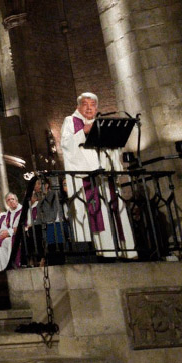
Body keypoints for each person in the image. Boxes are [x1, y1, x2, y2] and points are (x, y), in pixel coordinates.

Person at [60, 92, 135, 258]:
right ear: (78, 107)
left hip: (104, 177)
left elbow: (112, 147)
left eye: (93, 105)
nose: (89, 108)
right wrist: (83, 132)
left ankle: (124, 250)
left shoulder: (101, 123)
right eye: (85, 104)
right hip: (85, 179)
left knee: (113, 210)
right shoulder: (70, 121)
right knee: (93, 212)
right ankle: (101, 251)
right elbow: (66, 144)